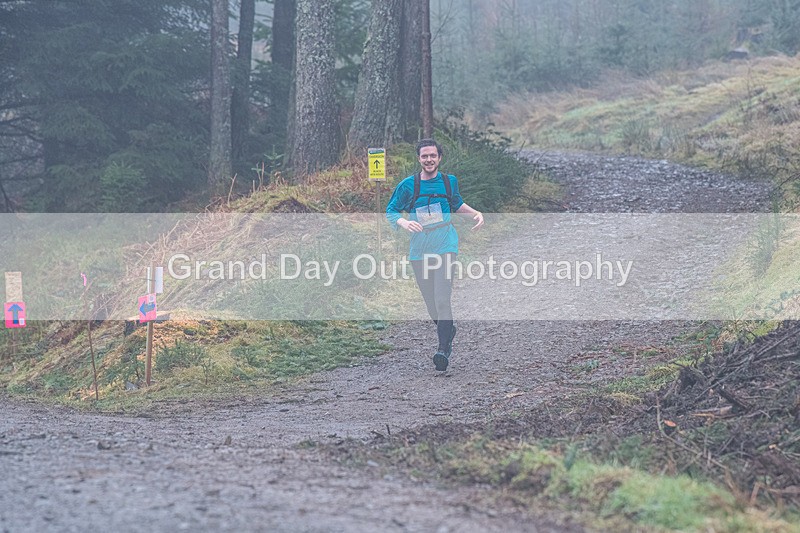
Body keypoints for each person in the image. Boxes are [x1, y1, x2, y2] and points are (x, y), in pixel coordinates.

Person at [386, 138, 484, 371]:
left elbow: (456, 204)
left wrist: (476, 213)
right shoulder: (408, 186)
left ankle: (443, 350)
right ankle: (447, 329)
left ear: (439, 158)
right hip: (420, 249)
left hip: (445, 245)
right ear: (418, 159)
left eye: (433, 156)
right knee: (431, 303)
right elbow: (391, 210)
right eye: (424, 156)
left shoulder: (450, 182)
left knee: (442, 297)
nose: (429, 160)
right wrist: (403, 222)